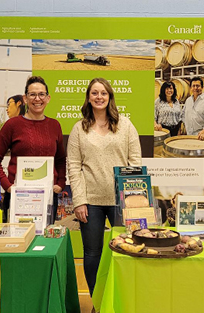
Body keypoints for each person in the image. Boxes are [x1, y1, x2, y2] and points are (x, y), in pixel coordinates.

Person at [67, 77, 141, 296]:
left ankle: (122, 299)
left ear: (110, 97)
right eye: (94, 93)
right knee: (92, 254)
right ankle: (97, 301)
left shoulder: (126, 125)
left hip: (122, 202)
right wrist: (79, 200)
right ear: (88, 98)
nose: (99, 97)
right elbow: (73, 166)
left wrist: (134, 199)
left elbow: (135, 162)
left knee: (126, 250)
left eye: (103, 93)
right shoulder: (79, 128)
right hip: (91, 203)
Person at [0, 76, 67, 222]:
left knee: (45, 241)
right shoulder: (12, 125)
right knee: (18, 241)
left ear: (48, 98)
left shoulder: (54, 125)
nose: (37, 99)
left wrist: (61, 183)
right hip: (18, 196)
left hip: (48, 196)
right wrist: (7, 186)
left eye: (41, 94)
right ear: (25, 98)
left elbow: (61, 159)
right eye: (32, 95)